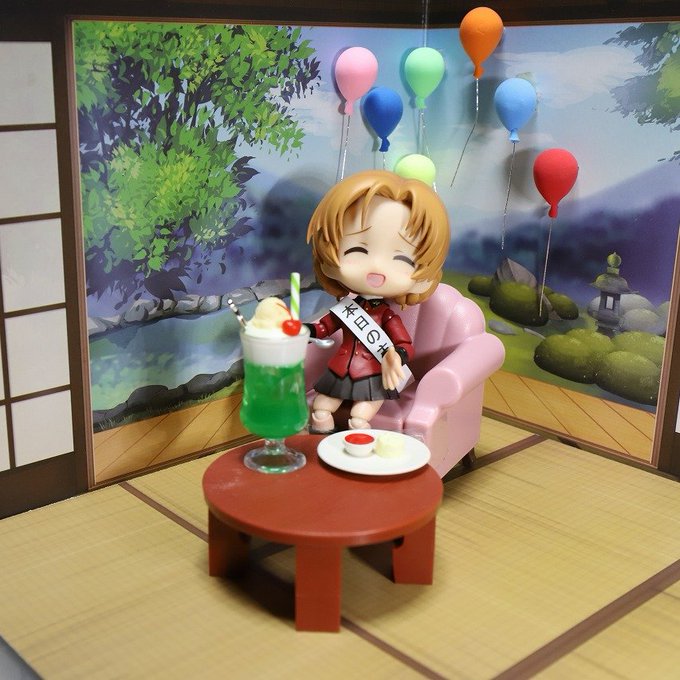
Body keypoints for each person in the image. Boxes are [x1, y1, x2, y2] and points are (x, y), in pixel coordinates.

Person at [305, 169, 450, 432]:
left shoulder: (386, 315)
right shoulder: (345, 309)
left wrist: (397, 356)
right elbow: (324, 326)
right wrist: (303, 330)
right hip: (339, 369)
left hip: (373, 373)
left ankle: (359, 442)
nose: (377, 268)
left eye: (402, 259)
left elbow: (403, 343)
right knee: (321, 407)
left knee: (360, 416)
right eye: (356, 250)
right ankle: (320, 442)